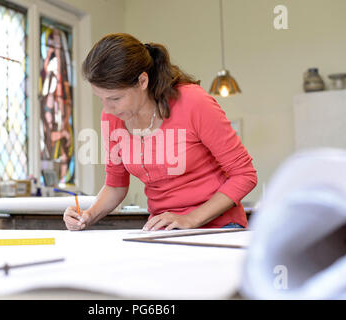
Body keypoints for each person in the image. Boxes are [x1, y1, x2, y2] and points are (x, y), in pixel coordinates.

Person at [63, 33, 257, 231]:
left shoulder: (193, 102)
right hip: (163, 229)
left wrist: (191, 219)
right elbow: (115, 186)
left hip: (220, 226)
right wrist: (87, 215)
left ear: (142, 81)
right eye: (101, 98)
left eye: (115, 98)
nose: (108, 108)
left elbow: (244, 175)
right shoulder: (113, 117)